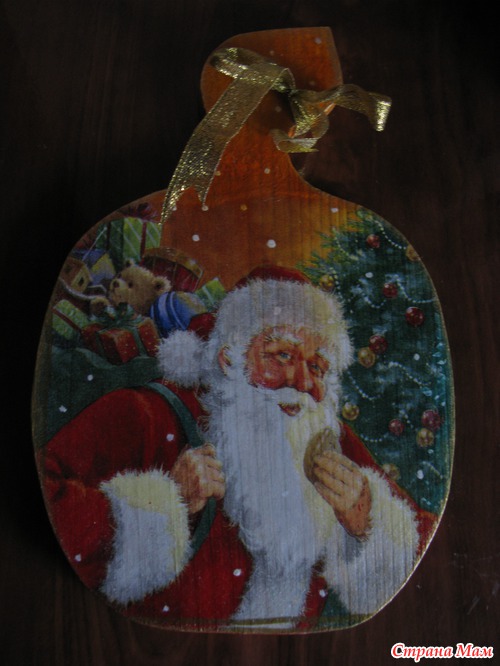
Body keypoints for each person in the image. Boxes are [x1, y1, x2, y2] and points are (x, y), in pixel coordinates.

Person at [39, 266, 436, 630]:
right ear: (230, 357)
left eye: (317, 366)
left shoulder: (324, 437)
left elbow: (430, 552)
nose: (302, 382)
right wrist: (165, 503)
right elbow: (46, 502)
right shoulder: (148, 415)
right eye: (283, 355)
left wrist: (368, 522)